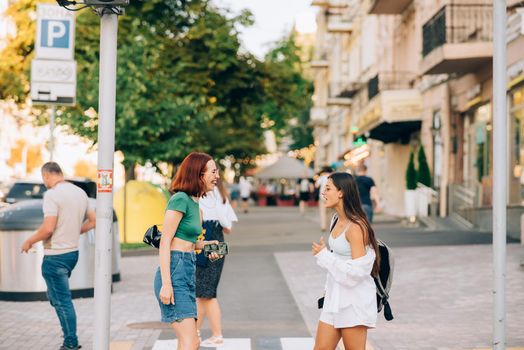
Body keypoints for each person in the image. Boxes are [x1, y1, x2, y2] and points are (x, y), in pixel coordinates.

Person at [21, 162, 96, 350]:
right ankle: (68, 327)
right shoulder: (80, 192)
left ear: (46, 176)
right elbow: (93, 221)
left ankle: (71, 343)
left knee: (62, 301)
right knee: (55, 297)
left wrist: (29, 241)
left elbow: (48, 229)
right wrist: (73, 231)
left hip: (55, 256)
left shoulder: (52, 195)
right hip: (72, 254)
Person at [154, 152, 222, 350]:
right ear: (198, 173)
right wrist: (166, 284)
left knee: (191, 341)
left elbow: (190, 243)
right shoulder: (180, 200)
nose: (217, 176)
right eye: (213, 171)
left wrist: (210, 245)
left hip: (187, 271)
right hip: (174, 272)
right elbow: (166, 242)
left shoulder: (196, 205)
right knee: (191, 341)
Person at [311, 172, 381, 350]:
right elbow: (339, 260)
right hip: (334, 300)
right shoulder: (336, 220)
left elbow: (358, 273)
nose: (323, 193)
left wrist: (324, 256)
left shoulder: (356, 227)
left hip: (353, 303)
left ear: (341, 192)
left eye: (328, 189)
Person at [196, 179, 238, 346]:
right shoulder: (222, 197)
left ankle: (216, 334)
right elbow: (228, 228)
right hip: (219, 242)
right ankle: (194, 332)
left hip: (206, 242)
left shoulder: (203, 197)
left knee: (206, 293)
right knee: (203, 293)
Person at [315, 166, 332, 231]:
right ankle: (330, 225)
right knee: (329, 212)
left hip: (322, 196)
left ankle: (323, 226)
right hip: (330, 197)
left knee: (323, 212)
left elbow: (316, 185)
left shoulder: (322, 177)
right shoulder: (332, 177)